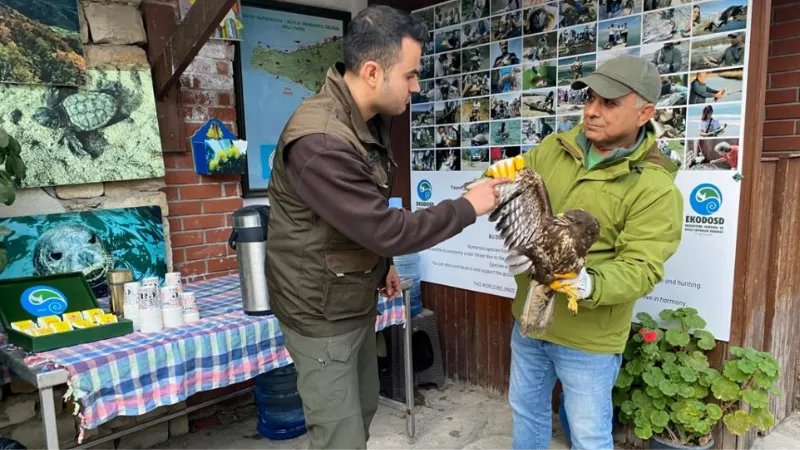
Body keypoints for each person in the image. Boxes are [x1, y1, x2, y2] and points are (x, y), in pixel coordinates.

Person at [264, 6, 507, 450]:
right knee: (340, 435)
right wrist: (469, 206)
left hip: (351, 296)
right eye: (411, 75)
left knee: (363, 410)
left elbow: (363, 210)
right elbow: (386, 226)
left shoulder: (367, 118)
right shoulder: (320, 141)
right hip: (319, 312)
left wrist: (383, 264)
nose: (416, 86)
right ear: (374, 72)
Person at [479, 54, 683, 450]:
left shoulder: (655, 187)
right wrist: (492, 181)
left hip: (590, 338)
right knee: (525, 410)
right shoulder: (553, 149)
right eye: (589, 99)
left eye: (609, 103)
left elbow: (642, 267)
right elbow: (506, 185)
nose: (592, 111)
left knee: (588, 434)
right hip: (531, 318)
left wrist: (587, 283)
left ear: (645, 113)